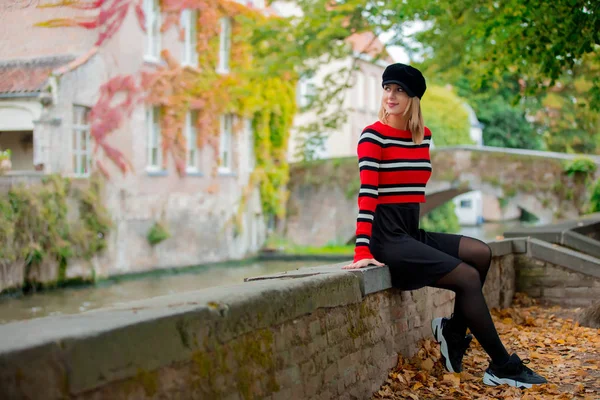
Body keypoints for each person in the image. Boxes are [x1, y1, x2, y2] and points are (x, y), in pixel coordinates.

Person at [342, 63, 547, 389]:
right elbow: (368, 194)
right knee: (465, 276)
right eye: (387, 88)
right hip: (387, 239)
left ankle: (452, 332)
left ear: (413, 98)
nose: (390, 96)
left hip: (411, 232)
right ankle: (502, 365)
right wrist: (362, 249)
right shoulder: (372, 136)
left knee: (481, 253)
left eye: (399, 90)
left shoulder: (424, 137)